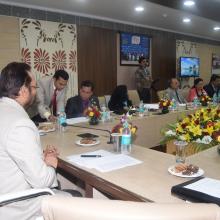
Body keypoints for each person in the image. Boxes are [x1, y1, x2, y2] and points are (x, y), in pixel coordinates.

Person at [0, 62, 60, 219]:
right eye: (34, 87)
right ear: (22, 90)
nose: (35, 92)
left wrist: (40, 157)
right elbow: (42, 181)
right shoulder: (20, 123)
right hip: (16, 207)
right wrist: (50, 163)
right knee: (75, 199)